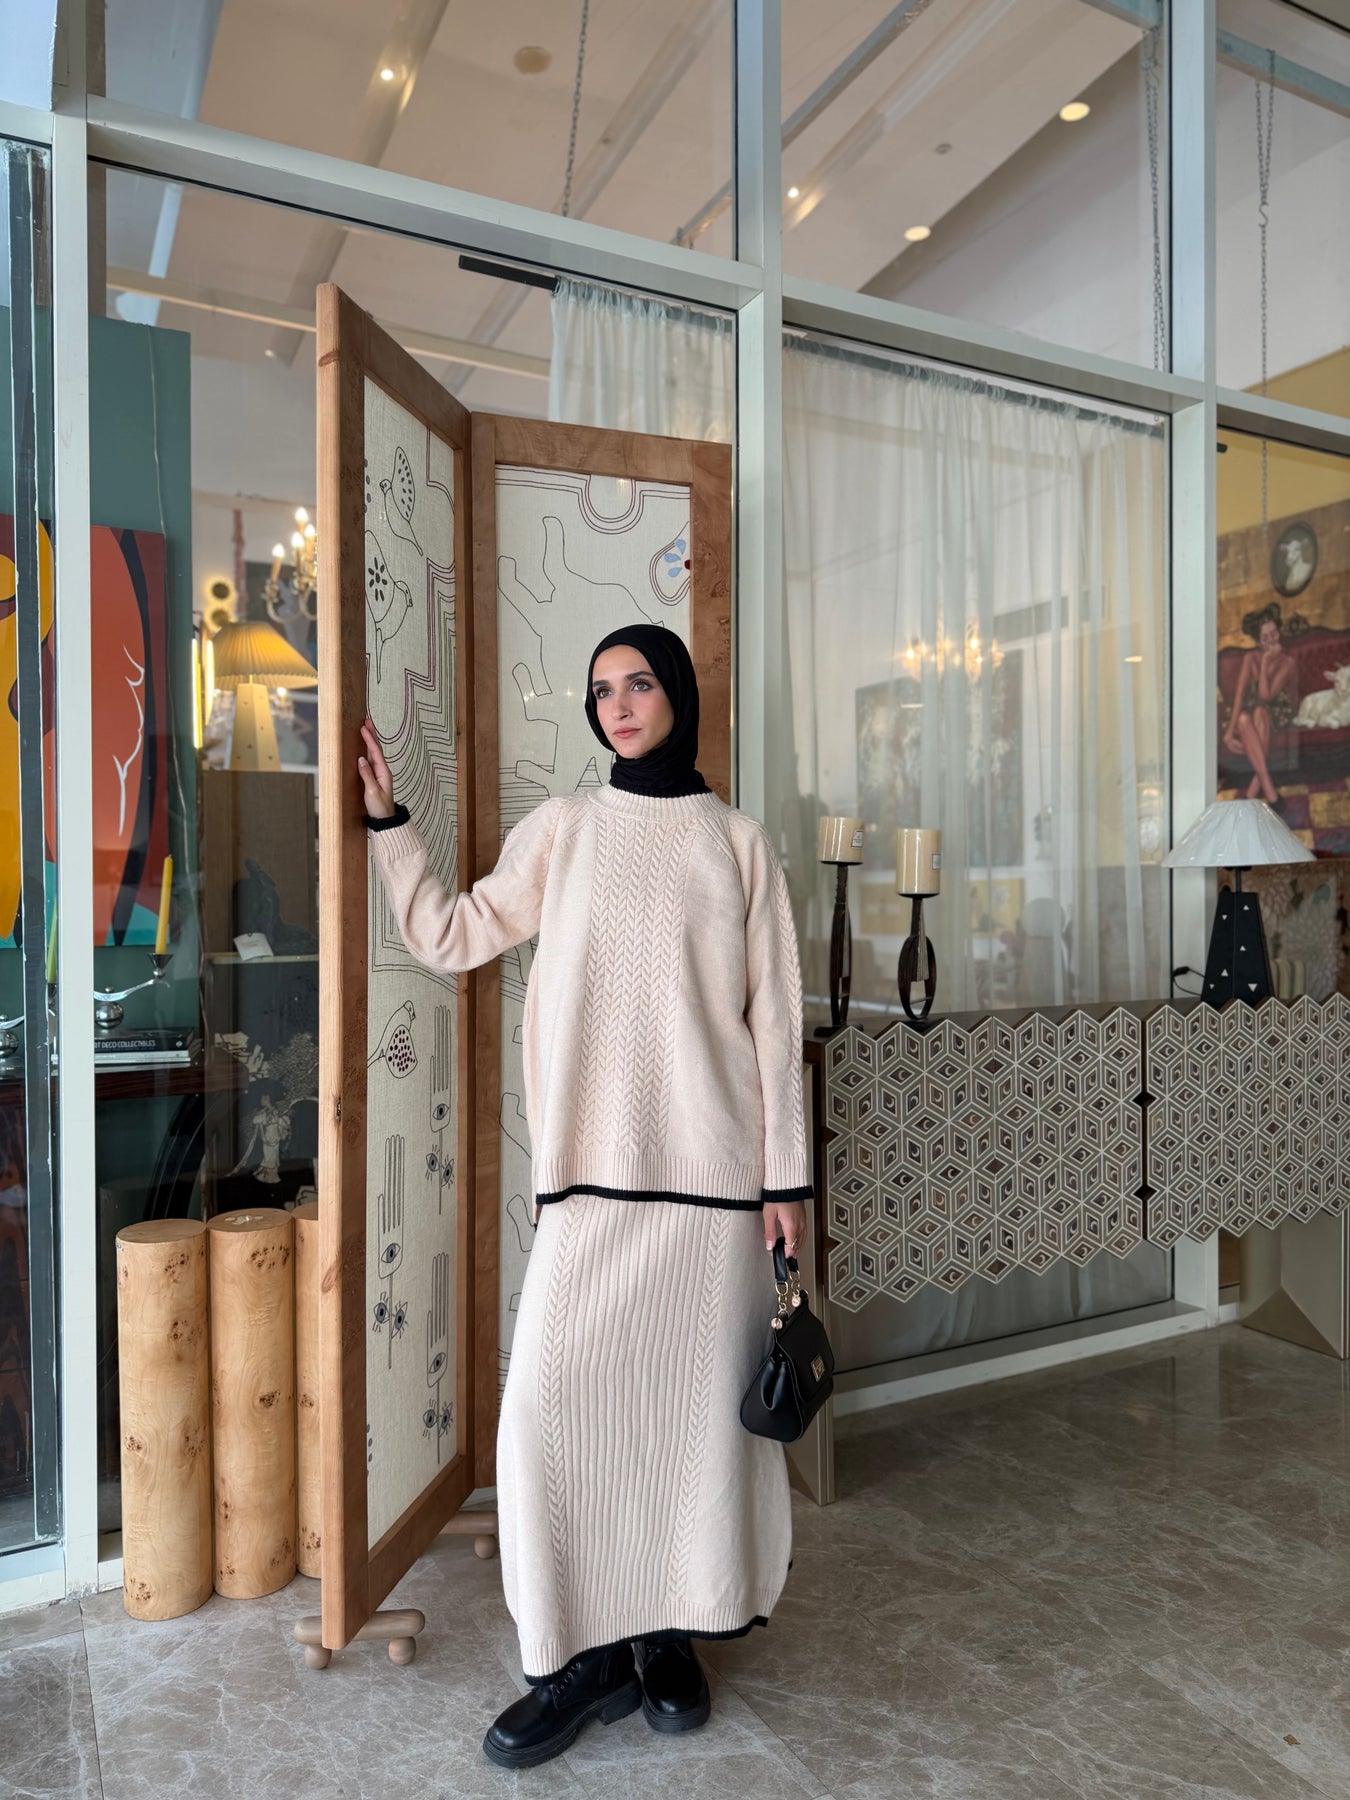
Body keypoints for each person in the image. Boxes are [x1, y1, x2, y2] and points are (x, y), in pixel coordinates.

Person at [356, 622, 812, 1771]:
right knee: (550, 1423)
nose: (619, 704)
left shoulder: (738, 843)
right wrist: (390, 827)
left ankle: (668, 1636)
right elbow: (453, 932)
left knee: (686, 1435)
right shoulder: (564, 830)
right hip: (588, 1185)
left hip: (711, 1190)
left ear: (678, 695)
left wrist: (786, 1181)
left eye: (639, 683)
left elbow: (775, 1028)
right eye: (602, 689)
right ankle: (581, 1656)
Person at [1223, 603, 1300, 807]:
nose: (1272, 640)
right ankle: (1268, 792)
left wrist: (1265, 661)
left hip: (1279, 711)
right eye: (1265, 637)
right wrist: (1229, 733)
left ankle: (1256, 791)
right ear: (1258, 640)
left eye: (1274, 633)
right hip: (1252, 710)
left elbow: (1266, 696)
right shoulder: (1250, 658)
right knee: (1244, 718)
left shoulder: (1287, 662)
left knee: (1259, 711)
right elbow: (1239, 696)